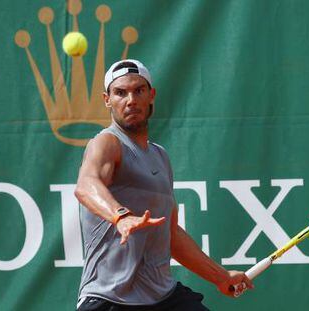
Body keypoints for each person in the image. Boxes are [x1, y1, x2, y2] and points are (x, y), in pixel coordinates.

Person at [74, 59, 253, 311]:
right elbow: (86, 185)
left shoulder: (160, 156)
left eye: (139, 90)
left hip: (163, 297)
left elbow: (172, 235)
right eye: (120, 93)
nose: (130, 100)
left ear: (151, 96)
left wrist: (221, 277)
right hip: (110, 299)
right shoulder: (106, 143)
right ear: (107, 100)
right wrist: (121, 217)